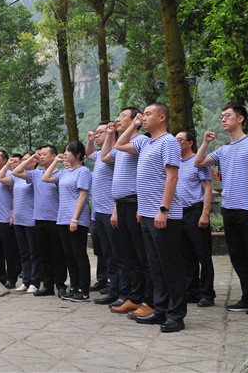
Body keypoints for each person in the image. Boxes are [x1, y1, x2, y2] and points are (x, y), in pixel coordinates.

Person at [194, 103, 248, 315]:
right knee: (237, 256)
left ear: (240, 118)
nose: (223, 119)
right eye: (222, 116)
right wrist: (205, 143)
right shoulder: (223, 150)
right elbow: (198, 162)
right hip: (229, 208)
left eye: (227, 115)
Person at [115, 103, 186, 333]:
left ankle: (176, 315)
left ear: (162, 117)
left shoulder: (169, 142)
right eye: (141, 115)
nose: (143, 117)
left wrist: (164, 209)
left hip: (163, 215)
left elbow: (172, 177)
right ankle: (160, 309)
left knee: (170, 267)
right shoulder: (145, 143)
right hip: (146, 214)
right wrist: (134, 125)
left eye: (147, 114)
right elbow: (119, 145)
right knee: (155, 267)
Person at [102, 108, 153, 317]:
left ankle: (147, 299)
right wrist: (109, 134)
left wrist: (134, 127)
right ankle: (135, 297)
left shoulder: (140, 142)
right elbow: (105, 156)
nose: (118, 119)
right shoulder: (121, 146)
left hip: (135, 203)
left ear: (135, 120)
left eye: (123, 116)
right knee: (128, 255)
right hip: (122, 204)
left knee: (141, 255)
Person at [12, 146, 68, 297]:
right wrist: (32, 158)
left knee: (58, 255)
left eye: (44, 154)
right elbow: (16, 172)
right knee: (44, 255)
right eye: (40, 155)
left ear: (54, 156)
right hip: (39, 219)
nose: (41, 157)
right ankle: (48, 286)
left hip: (56, 219)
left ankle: (61, 285)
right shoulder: (35, 174)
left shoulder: (61, 174)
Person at [42, 141, 92, 302]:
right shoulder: (64, 172)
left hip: (76, 219)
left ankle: (84, 290)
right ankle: (74, 287)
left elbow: (83, 195)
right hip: (62, 219)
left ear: (78, 155)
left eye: (67, 151)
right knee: (69, 255)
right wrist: (55, 162)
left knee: (79, 255)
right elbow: (45, 177)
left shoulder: (83, 171)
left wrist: (75, 218)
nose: (65, 154)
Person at [175, 129, 216, 307]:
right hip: (179, 213)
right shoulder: (174, 163)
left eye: (179, 140)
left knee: (203, 255)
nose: (176, 143)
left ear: (190, 143)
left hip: (195, 211)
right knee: (186, 255)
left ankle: (207, 294)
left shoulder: (199, 162)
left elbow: (208, 189)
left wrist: (205, 213)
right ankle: (192, 291)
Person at [85, 122, 123, 306]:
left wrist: (116, 209)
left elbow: (120, 183)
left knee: (116, 254)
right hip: (99, 213)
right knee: (106, 254)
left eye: (100, 132)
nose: (97, 135)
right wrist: (90, 140)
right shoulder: (100, 154)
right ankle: (112, 288)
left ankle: (120, 291)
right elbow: (88, 153)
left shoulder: (115, 154)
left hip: (111, 212)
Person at [0, 152, 40, 293]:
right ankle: (26, 281)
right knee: (23, 253)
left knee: (33, 253)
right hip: (18, 219)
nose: (23, 162)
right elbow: (0, 177)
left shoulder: (34, 176)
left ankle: (34, 282)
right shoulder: (16, 178)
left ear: (34, 161)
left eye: (26, 160)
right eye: (22, 160)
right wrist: (8, 164)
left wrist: (30, 159)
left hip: (31, 220)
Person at [0, 149, 21, 288]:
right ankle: (1, 277)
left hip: (6, 219)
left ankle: (11, 278)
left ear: (5, 160)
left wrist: (13, 214)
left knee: (9, 251)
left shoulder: (11, 175)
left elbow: (15, 196)